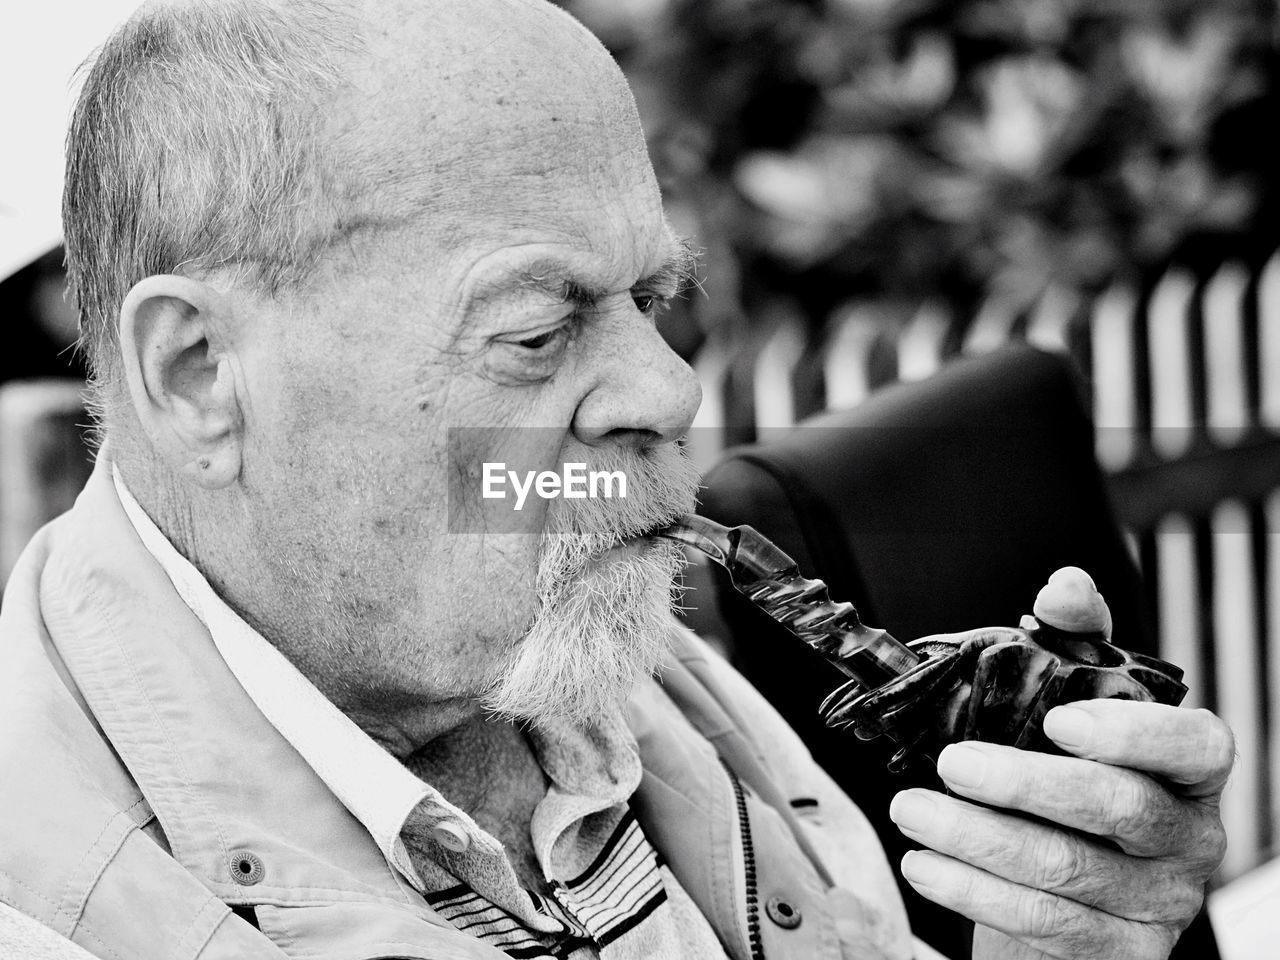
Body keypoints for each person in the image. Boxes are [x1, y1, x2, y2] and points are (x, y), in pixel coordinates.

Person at [0, 1, 1233, 958]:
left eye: (648, 298)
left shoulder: (606, 679)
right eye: (536, 330)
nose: (667, 392)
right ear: (200, 374)